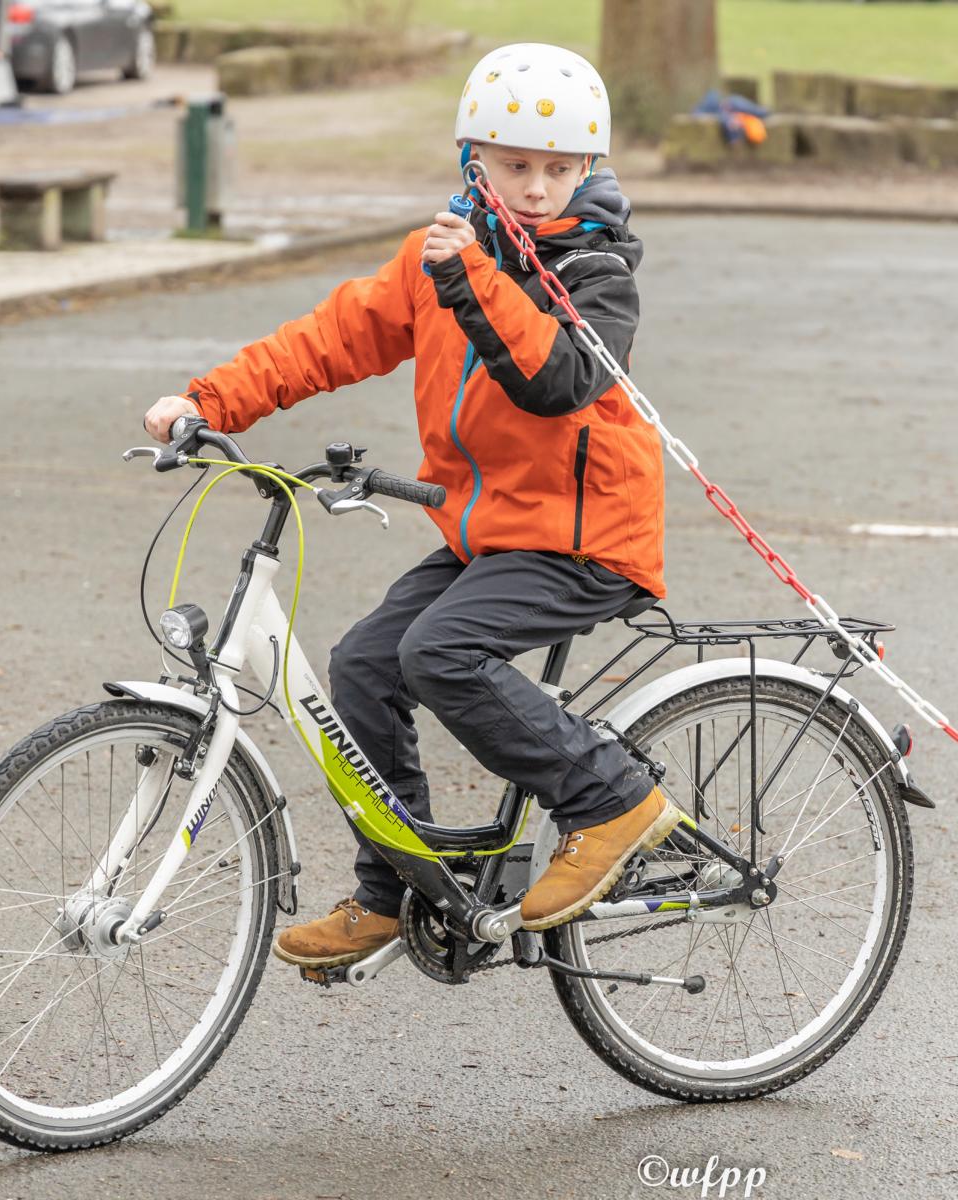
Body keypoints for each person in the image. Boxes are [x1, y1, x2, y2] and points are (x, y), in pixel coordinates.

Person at [140, 43, 677, 968]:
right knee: (364, 664)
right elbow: (331, 339)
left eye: (561, 168)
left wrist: (474, 279)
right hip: (490, 531)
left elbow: (560, 380)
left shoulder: (598, 271)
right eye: (516, 166)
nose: (540, 188)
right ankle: (395, 888)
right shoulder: (438, 256)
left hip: (585, 538)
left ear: (590, 166)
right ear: (473, 160)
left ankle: (612, 800)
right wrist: (207, 402)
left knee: (442, 653)